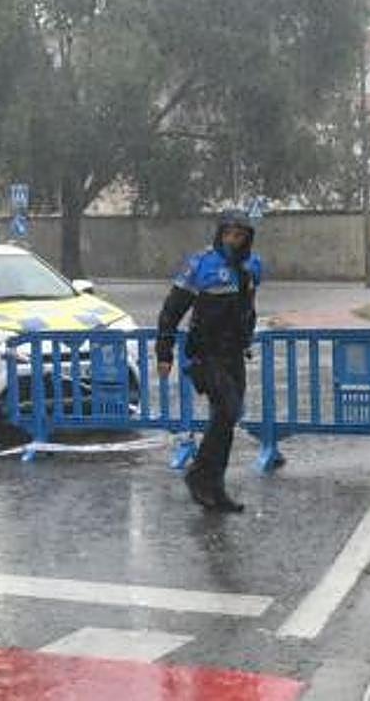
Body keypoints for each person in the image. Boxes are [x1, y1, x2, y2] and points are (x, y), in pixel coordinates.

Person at [156, 209, 262, 513]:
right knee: (229, 409)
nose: (233, 240)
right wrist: (164, 353)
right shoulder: (200, 264)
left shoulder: (252, 266)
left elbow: (249, 308)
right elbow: (171, 310)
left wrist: (247, 336)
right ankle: (199, 475)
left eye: (240, 236)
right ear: (220, 234)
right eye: (229, 234)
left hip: (233, 354)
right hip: (205, 354)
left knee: (227, 419)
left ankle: (215, 488)